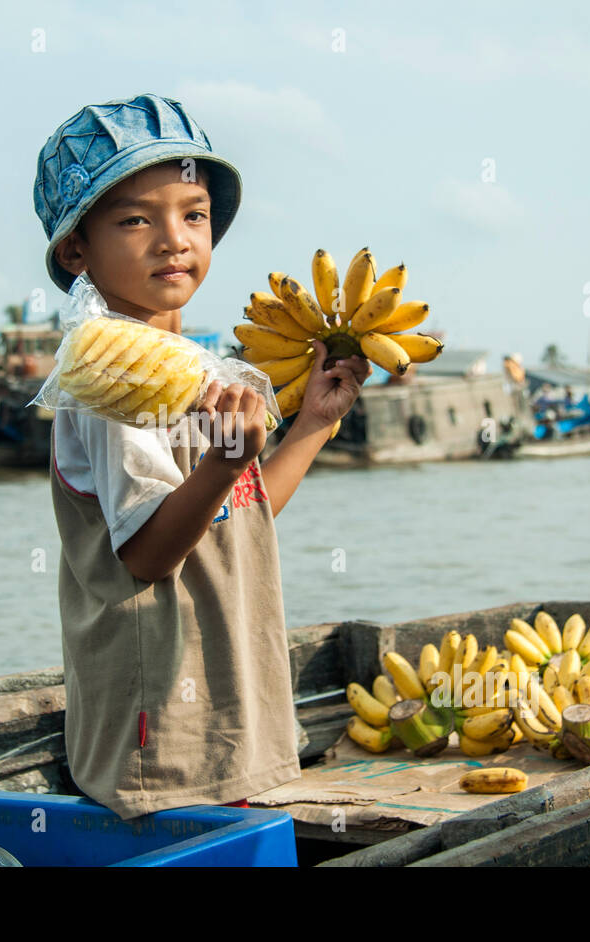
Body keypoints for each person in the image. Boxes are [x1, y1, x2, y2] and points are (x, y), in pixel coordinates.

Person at [36, 94, 370, 819]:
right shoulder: (109, 384)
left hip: (234, 715)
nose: (173, 239)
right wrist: (220, 463)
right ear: (76, 251)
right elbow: (148, 557)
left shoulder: (193, 366)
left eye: (193, 214)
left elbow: (238, 512)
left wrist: (311, 423)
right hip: (163, 737)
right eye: (134, 219)